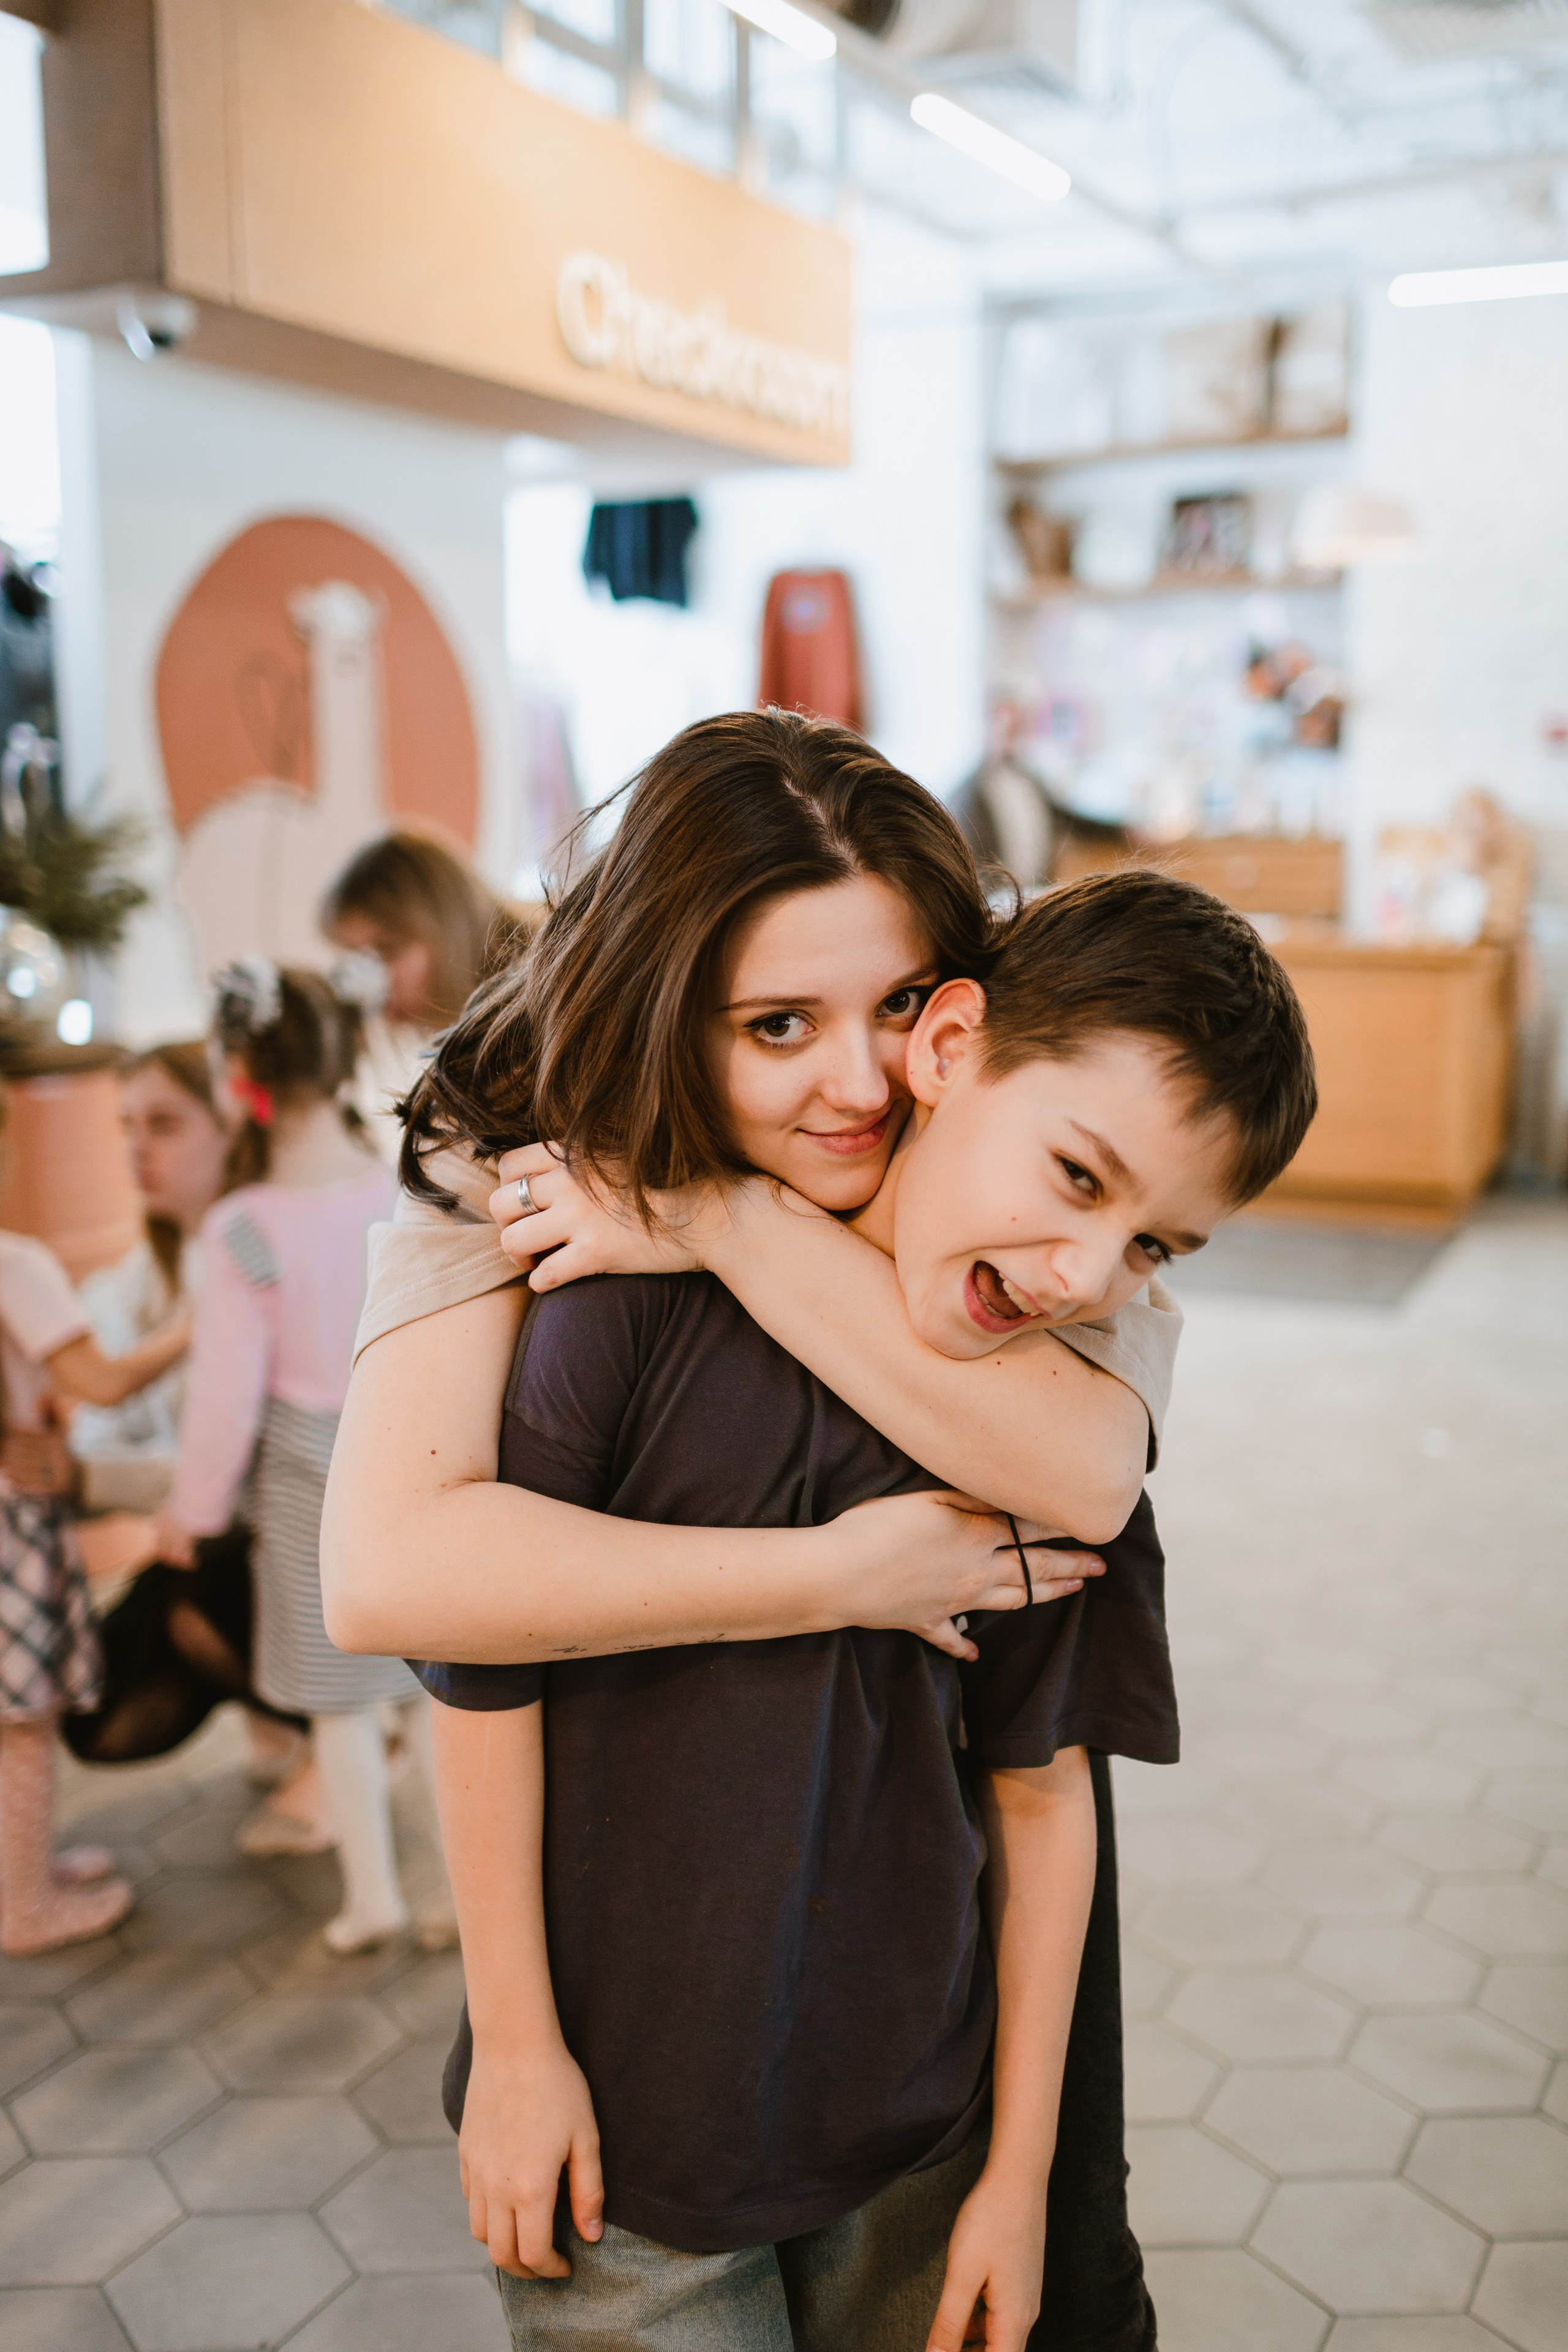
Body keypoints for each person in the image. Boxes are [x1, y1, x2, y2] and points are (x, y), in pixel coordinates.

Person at [322, 713, 1186, 2345]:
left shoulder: (1021, 1194)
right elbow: (401, 1581)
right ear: (661, 1022)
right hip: (645, 2090)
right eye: (776, 1023)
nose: (859, 1086)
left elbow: (1084, 1483)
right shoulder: (514, 1141)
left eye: (898, 1010)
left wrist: (720, 1215)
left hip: (899, 2056)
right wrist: (844, 1578)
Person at [154, 961, 420, 1954]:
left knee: (341, 1706)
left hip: (312, 1476)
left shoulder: (242, 1229)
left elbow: (225, 1397)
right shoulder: (397, 1183)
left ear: (241, 1076)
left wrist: (194, 1509)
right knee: (434, 1686)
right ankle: (453, 1902)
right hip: (410, 1437)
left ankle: (375, 1898)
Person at [61, 1045, 310, 1808]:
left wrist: (96, 1480)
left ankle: (349, 1730)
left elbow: (254, 1472)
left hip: (293, 1545)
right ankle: (282, 1710)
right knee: (96, 1720)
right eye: (126, 1125)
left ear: (232, 1127)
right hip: (203, 1535)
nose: (137, 1148)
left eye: (164, 1123)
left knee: (201, 1590)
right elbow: (100, 1434)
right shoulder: (140, 1279)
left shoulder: (279, 1254)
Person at [0, 1080, 193, 1956]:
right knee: (22, 1721)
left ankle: (18, 1871)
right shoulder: (16, 1262)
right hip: (11, 1519)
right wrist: (195, 1322)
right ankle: (24, 1907)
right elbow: (105, 1381)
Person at [321, 829, 526, 1161]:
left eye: (388, 951)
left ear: (446, 925)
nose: (373, 983)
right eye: (357, 958)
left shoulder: (527, 1027)